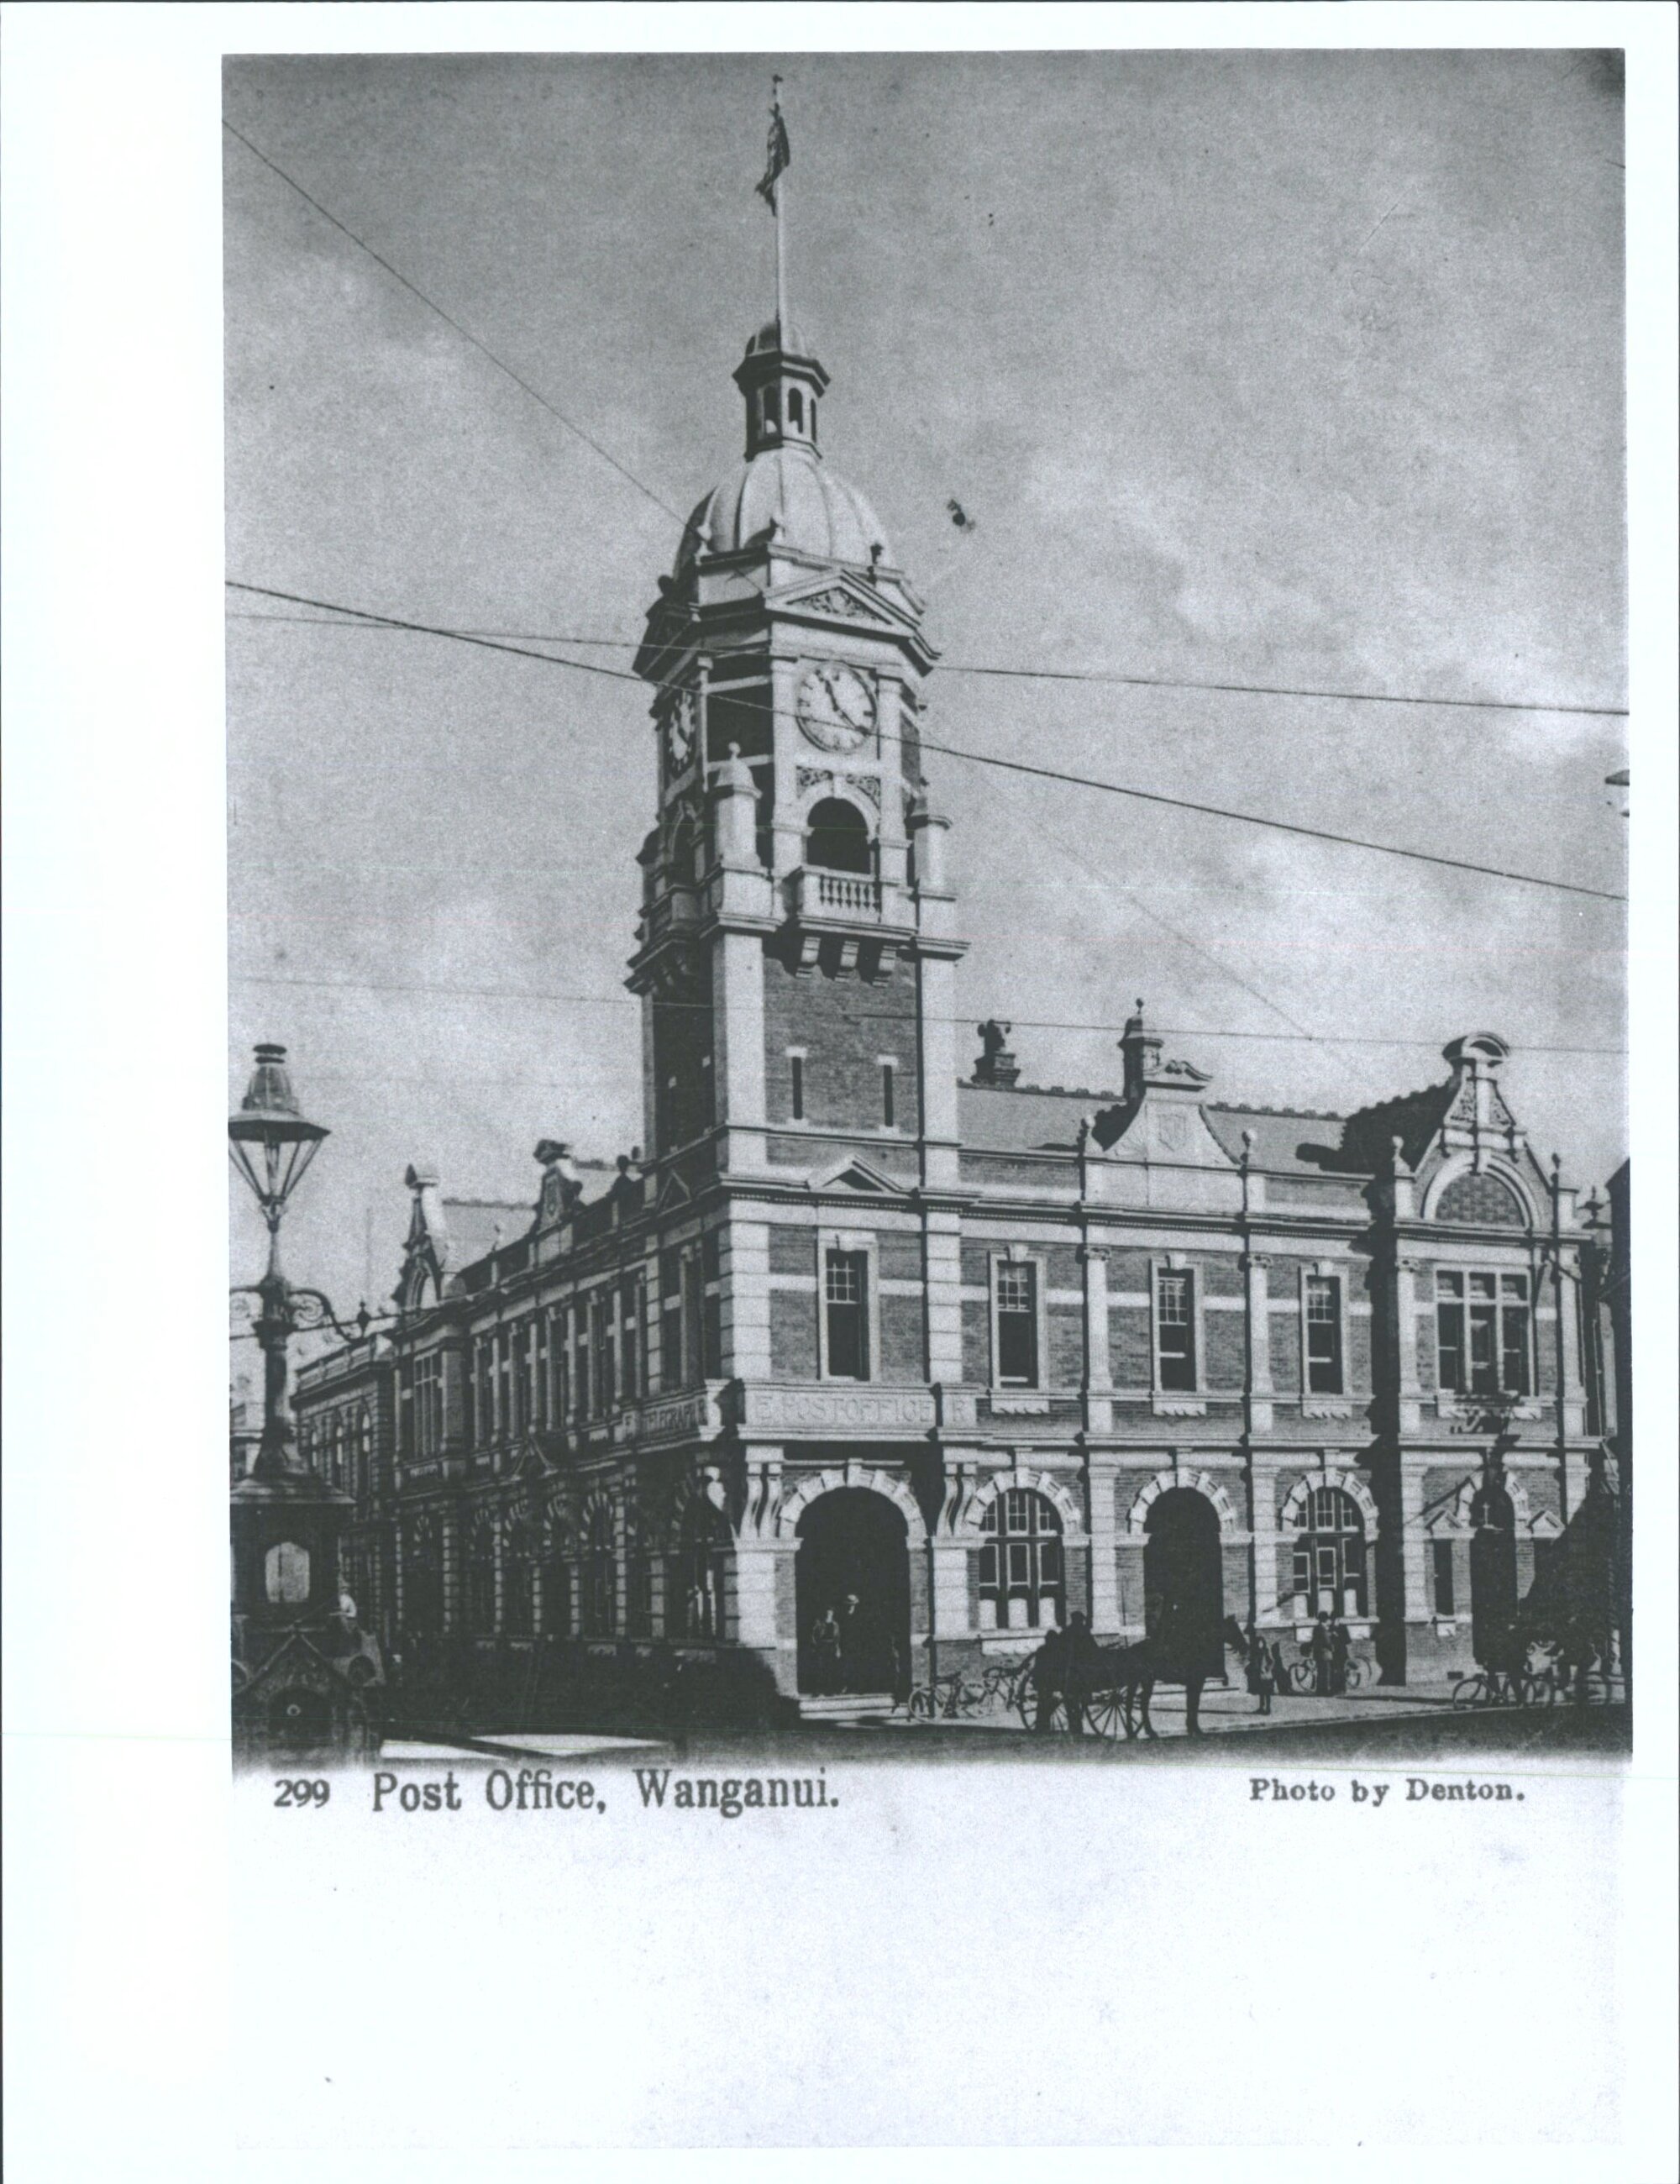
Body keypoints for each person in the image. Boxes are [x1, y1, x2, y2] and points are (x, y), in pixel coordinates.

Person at [1062, 1611, 1100, 1736]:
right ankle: (1077, 1726)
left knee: (1071, 1701)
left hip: (1069, 1669)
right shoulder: (1083, 1631)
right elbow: (1094, 1649)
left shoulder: (1066, 1632)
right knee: (1076, 1700)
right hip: (1080, 1670)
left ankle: (1075, 1726)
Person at [1029, 1622, 1068, 1734]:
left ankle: (1041, 1724)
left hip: (1043, 1680)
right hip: (1049, 1680)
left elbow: (1037, 1668)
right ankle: (1042, 1723)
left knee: (1043, 1702)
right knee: (1046, 1702)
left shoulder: (1043, 1650)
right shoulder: (1056, 1651)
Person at [810, 1605, 841, 1695]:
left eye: (830, 1612)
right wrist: (815, 1646)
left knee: (830, 1669)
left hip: (831, 1647)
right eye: (827, 1612)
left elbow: (838, 1638)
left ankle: (829, 1690)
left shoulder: (835, 1625)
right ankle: (818, 1690)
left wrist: (838, 1649)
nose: (829, 1614)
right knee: (820, 1669)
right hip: (822, 1647)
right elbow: (813, 1635)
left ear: (833, 1614)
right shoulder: (819, 1624)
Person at [1310, 1611, 1333, 1697]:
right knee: (1325, 1673)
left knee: (1320, 1673)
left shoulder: (1316, 1628)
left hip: (1318, 1653)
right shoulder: (1322, 1629)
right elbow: (1327, 1641)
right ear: (1325, 1619)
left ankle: (1320, 1690)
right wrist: (1332, 1648)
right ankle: (1325, 1691)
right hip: (1324, 1654)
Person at [1328, 1614, 1351, 1698]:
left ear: (1339, 1619)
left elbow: (1348, 1640)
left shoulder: (1343, 1627)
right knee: (1333, 1671)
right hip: (1333, 1653)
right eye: (1332, 1620)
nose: (1333, 1621)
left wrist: (1338, 1636)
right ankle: (1333, 1689)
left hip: (1341, 1653)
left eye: (1335, 1619)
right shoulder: (1330, 1628)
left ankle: (1342, 1689)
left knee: (1340, 1670)